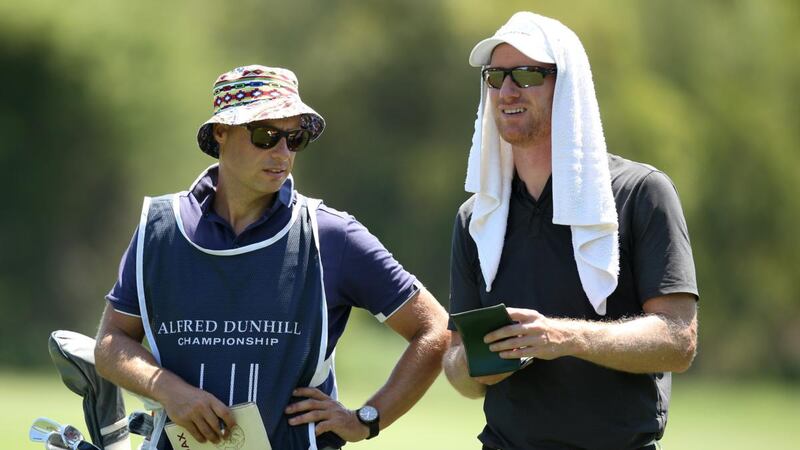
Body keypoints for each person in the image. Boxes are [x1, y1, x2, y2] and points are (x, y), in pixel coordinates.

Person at [94, 65, 449, 450]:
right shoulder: (161, 229)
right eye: (266, 136)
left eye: (294, 139)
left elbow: (434, 328)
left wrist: (366, 419)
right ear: (221, 132)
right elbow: (111, 342)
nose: (282, 153)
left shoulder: (330, 235)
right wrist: (167, 389)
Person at [443, 12, 698, 450]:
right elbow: (457, 367)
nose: (506, 91)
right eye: (495, 75)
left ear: (570, 88)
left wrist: (564, 338)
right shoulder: (476, 217)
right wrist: (483, 361)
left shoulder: (642, 194)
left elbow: (678, 340)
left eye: (526, 74)